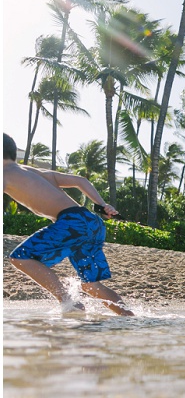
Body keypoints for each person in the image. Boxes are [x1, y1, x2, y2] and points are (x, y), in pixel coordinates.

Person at [3, 134, 133, 316]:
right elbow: (81, 181)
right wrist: (103, 205)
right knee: (90, 285)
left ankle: (69, 302)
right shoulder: (33, 171)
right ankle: (130, 319)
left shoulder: (4, 174)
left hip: (72, 222)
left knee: (20, 257)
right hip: (90, 221)